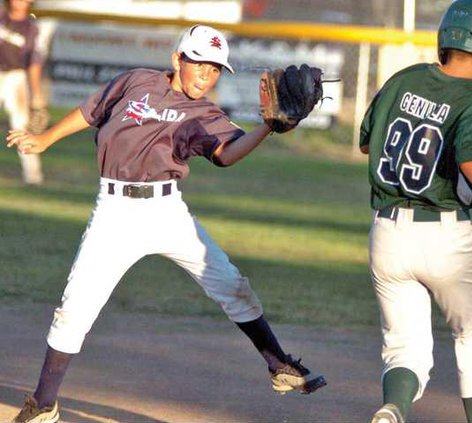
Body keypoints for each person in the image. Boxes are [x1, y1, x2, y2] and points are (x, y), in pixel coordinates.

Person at [6, 24, 326, 423]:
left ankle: (280, 367)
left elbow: (226, 154)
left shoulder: (206, 114)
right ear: (178, 59)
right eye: (200, 65)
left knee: (231, 284)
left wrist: (268, 128)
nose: (206, 76)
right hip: (115, 212)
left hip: (167, 211)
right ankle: (44, 404)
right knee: (75, 309)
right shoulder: (135, 81)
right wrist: (46, 138)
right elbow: (91, 110)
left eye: (214, 70)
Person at [359, 1, 472, 423]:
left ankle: (395, 407)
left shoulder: (404, 79)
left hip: (387, 233)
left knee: (404, 344)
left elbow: (368, 145)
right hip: (444, 235)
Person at [1, 0, 47, 185]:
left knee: (21, 126)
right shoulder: (2, 17)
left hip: (16, 77)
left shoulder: (31, 27)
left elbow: (34, 63)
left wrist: (36, 94)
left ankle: (33, 176)